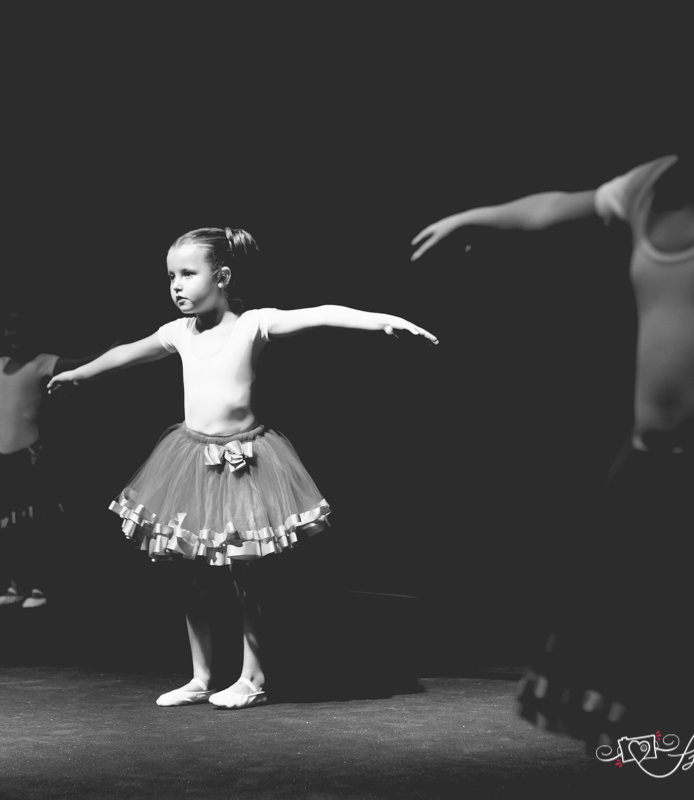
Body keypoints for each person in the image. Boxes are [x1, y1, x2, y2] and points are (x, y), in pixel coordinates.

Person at [411, 125, 694, 746]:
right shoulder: (650, 185)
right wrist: (479, 217)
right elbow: (556, 207)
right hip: (657, 465)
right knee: (636, 667)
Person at [48, 226, 437, 708]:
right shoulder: (178, 333)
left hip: (245, 464)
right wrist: (81, 374)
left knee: (247, 576)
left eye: (188, 273)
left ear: (223, 276)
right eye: (170, 276)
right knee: (190, 573)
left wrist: (381, 321)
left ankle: (253, 679)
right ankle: (201, 676)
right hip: (190, 462)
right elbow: (128, 353)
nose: (176, 285)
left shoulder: (253, 324)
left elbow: (320, 314)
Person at [0, 314, 112, 609]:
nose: (13, 334)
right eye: (9, 329)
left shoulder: (42, 362)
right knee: (9, 525)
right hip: (4, 459)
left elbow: (78, 363)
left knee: (36, 525)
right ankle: (14, 585)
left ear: (31, 333)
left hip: (31, 458)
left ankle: (40, 587)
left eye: (19, 329)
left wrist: (110, 351)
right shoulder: (0, 366)